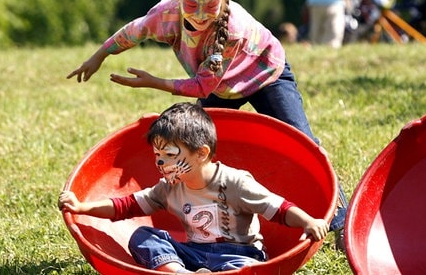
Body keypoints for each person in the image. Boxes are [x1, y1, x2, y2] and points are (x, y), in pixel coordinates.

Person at [66, 0, 348, 243]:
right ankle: (209, 220)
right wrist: (98, 56)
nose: (200, 14)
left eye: (211, 4)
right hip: (220, 87)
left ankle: (340, 222)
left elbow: (202, 86)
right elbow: (130, 33)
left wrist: (153, 82)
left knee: (303, 142)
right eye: (192, 4)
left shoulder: (233, 30)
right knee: (198, 148)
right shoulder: (164, 15)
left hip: (264, 75)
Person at [58, 102, 329, 273]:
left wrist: (308, 221)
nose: (162, 163)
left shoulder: (235, 182)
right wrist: (83, 207)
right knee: (142, 236)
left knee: (247, 270)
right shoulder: (169, 188)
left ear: (201, 153)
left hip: (239, 254)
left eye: (171, 155)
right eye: (158, 155)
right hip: (194, 255)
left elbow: (278, 208)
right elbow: (126, 206)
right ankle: (181, 274)